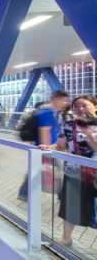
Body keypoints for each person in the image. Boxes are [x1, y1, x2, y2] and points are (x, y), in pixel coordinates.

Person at [39, 95, 97, 246]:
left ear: (95, 106)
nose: (80, 109)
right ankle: (66, 239)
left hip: (95, 174)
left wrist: (88, 132)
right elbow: (60, 146)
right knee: (71, 207)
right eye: (76, 106)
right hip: (74, 172)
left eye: (84, 105)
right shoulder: (68, 124)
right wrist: (48, 147)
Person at [18, 90, 69, 201]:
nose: (65, 103)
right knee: (58, 172)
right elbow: (44, 131)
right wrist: (47, 150)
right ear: (56, 99)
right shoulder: (47, 112)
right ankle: (63, 197)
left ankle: (23, 193)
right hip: (46, 148)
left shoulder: (49, 111)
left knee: (37, 171)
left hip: (46, 147)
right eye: (64, 100)